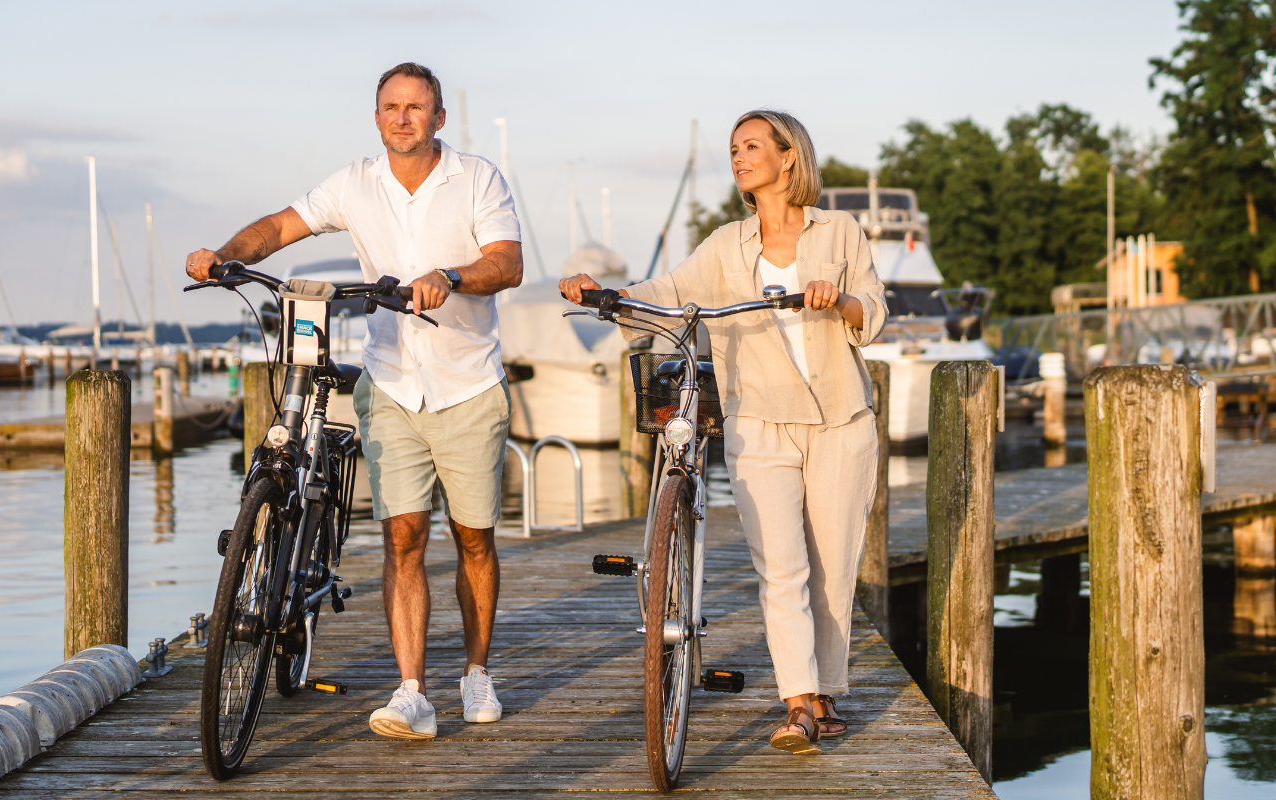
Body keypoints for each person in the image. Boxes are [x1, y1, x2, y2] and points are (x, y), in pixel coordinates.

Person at [186, 62, 523, 741]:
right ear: (377, 117)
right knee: (403, 536)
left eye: (416, 107)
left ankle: (477, 670)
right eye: (391, 107)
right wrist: (224, 256)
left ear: (439, 117)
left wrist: (451, 276)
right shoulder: (355, 182)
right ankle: (412, 694)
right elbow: (283, 226)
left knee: (473, 538)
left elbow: (508, 263)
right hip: (393, 380)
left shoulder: (477, 177)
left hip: (467, 384)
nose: (403, 118)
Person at [559, 109, 883, 755]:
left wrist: (836, 299)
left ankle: (824, 691)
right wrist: (606, 295)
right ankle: (798, 705)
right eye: (734, 148)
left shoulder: (839, 230)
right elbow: (668, 291)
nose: (739, 157)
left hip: (841, 421)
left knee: (832, 568)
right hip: (760, 420)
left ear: (789, 157)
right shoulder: (725, 244)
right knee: (780, 568)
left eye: (752, 146)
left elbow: (871, 313)